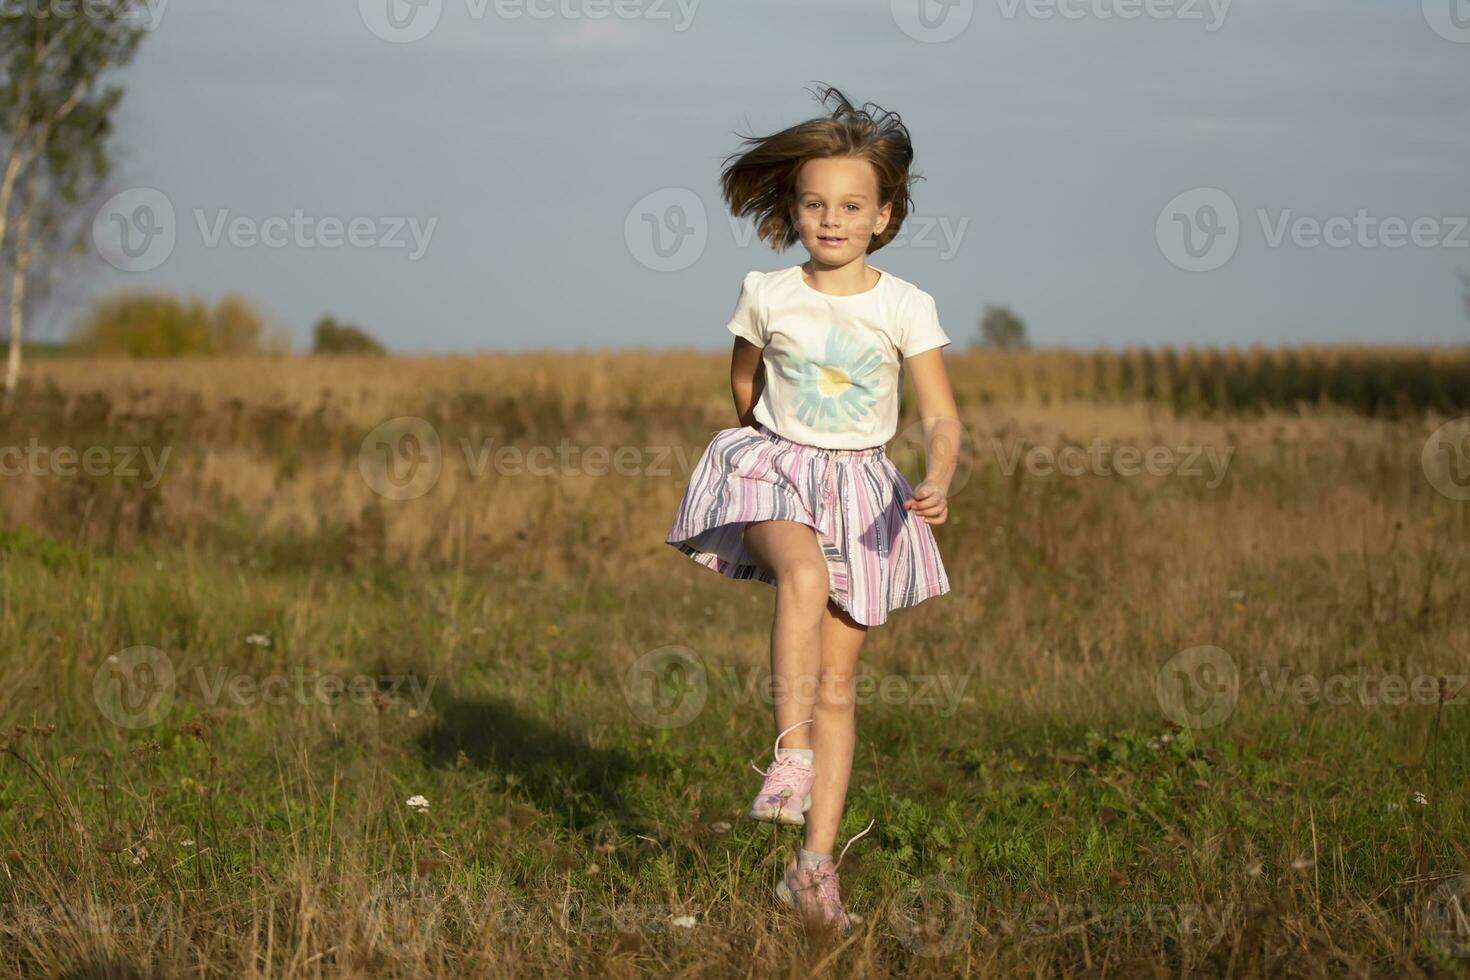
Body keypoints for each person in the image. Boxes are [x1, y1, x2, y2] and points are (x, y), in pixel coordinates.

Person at [665, 84, 964, 931]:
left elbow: (941, 412)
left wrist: (936, 474)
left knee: (839, 689)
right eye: (813, 203)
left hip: (867, 489)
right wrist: (766, 446)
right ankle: (787, 753)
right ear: (794, 208)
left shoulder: (905, 306)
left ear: (884, 214)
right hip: (777, 470)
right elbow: (740, 382)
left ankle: (814, 869)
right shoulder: (767, 290)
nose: (830, 220)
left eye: (850, 206)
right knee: (798, 571)